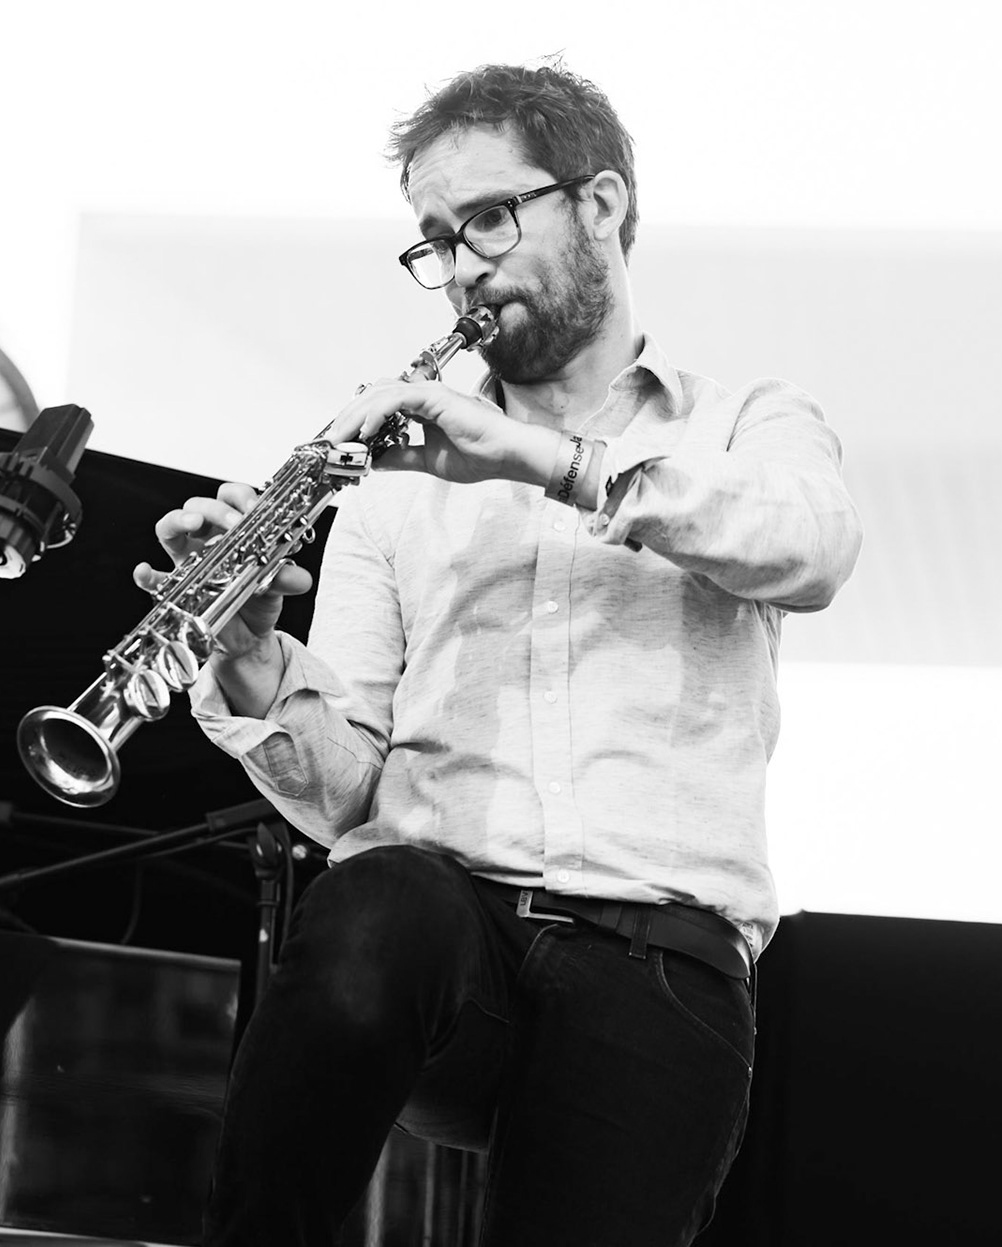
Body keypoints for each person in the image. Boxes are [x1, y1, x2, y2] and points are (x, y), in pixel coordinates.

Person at [137, 62, 861, 1247]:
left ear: (603, 205)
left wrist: (551, 463)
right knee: (373, 893)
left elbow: (815, 547)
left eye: (487, 217)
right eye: (435, 238)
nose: (463, 264)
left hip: (658, 959)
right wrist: (255, 661)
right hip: (444, 925)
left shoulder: (744, 423)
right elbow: (355, 790)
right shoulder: (387, 482)